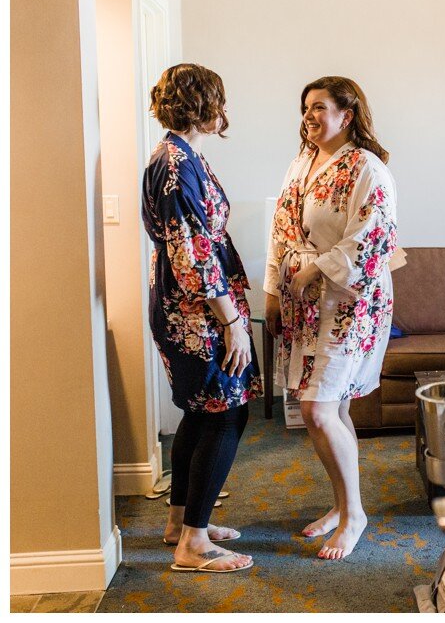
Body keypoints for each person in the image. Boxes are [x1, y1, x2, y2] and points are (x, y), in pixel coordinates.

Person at [265, 76, 403, 560]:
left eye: (319, 107)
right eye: (306, 106)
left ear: (347, 114)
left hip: (352, 302)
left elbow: (373, 239)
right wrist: (272, 292)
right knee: (334, 406)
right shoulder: (302, 163)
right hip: (304, 301)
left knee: (317, 410)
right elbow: (280, 231)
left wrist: (314, 271)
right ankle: (341, 505)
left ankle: (355, 515)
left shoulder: (367, 168)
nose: (309, 115)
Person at [142, 63, 260, 574]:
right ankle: (194, 545)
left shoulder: (181, 156)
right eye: (220, 101)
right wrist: (232, 321)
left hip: (190, 308)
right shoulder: (175, 164)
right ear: (201, 104)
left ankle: (181, 523)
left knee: (200, 410)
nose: (225, 113)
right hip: (196, 313)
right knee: (225, 412)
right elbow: (192, 255)